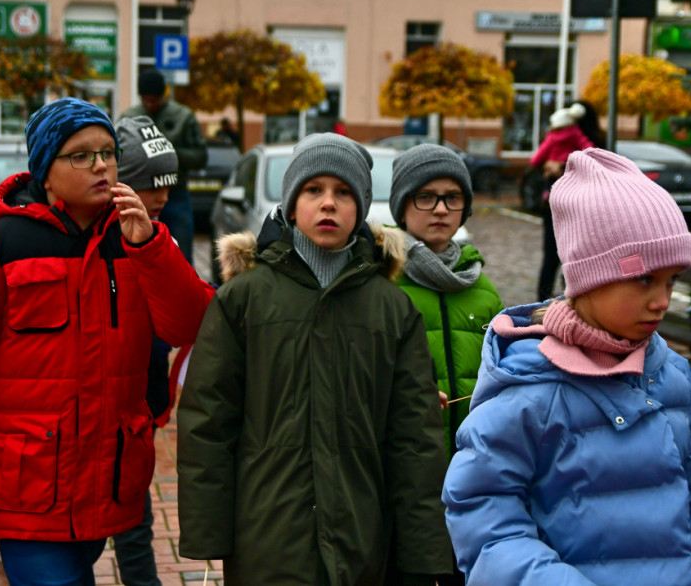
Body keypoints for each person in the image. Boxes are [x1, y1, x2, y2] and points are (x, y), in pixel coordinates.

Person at [0, 98, 214, 586]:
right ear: (45, 173)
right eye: (80, 155)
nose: (100, 165)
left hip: (108, 480)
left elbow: (188, 325)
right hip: (26, 486)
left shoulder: (139, 240)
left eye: (108, 153)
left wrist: (150, 248)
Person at [442, 148, 691, 585]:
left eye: (671, 281)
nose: (662, 300)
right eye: (644, 279)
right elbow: (484, 515)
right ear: (590, 277)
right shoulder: (530, 388)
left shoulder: (672, 377)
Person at [176, 133, 453, 585]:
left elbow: (414, 439)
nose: (328, 203)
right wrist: (211, 532)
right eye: (313, 190)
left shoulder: (390, 309)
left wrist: (423, 548)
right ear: (291, 203)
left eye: (343, 192)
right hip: (266, 535)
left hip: (361, 537)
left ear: (361, 207)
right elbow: (208, 419)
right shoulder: (244, 299)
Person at [387, 144, 503, 585]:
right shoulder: (383, 280)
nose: (440, 208)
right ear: (402, 204)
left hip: (471, 469)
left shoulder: (482, 287)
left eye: (453, 197)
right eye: (426, 196)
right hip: (405, 470)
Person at [111, 115, 183, 586]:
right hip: (96, 408)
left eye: (168, 185)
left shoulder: (162, 235)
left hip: (141, 409)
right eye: (149, 185)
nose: (160, 197)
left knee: (135, 520)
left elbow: (180, 318)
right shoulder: (92, 244)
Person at [118, 69, 207, 264]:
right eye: (145, 99)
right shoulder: (128, 118)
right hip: (140, 194)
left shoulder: (183, 116)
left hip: (176, 193)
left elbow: (201, 157)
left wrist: (168, 152)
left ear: (163, 95)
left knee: (181, 254)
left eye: (154, 100)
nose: (150, 104)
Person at [531, 100, 604, 300]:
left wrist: (559, 166)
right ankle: (571, 299)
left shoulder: (585, 140)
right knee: (567, 255)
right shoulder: (587, 140)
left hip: (562, 203)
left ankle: (545, 300)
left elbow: (593, 164)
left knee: (557, 255)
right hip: (578, 205)